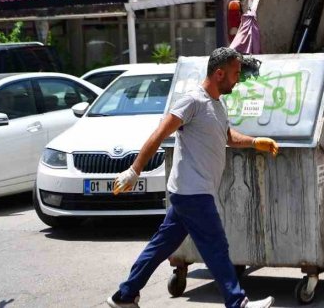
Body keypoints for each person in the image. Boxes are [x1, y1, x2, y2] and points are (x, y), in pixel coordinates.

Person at [106, 47, 279, 308]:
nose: (237, 79)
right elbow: (160, 133)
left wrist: (256, 142)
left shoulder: (216, 104)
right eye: (234, 74)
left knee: (161, 246)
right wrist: (134, 170)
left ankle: (125, 295)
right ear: (219, 73)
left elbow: (227, 136)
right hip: (192, 191)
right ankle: (237, 302)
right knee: (216, 246)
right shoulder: (192, 101)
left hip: (191, 191)